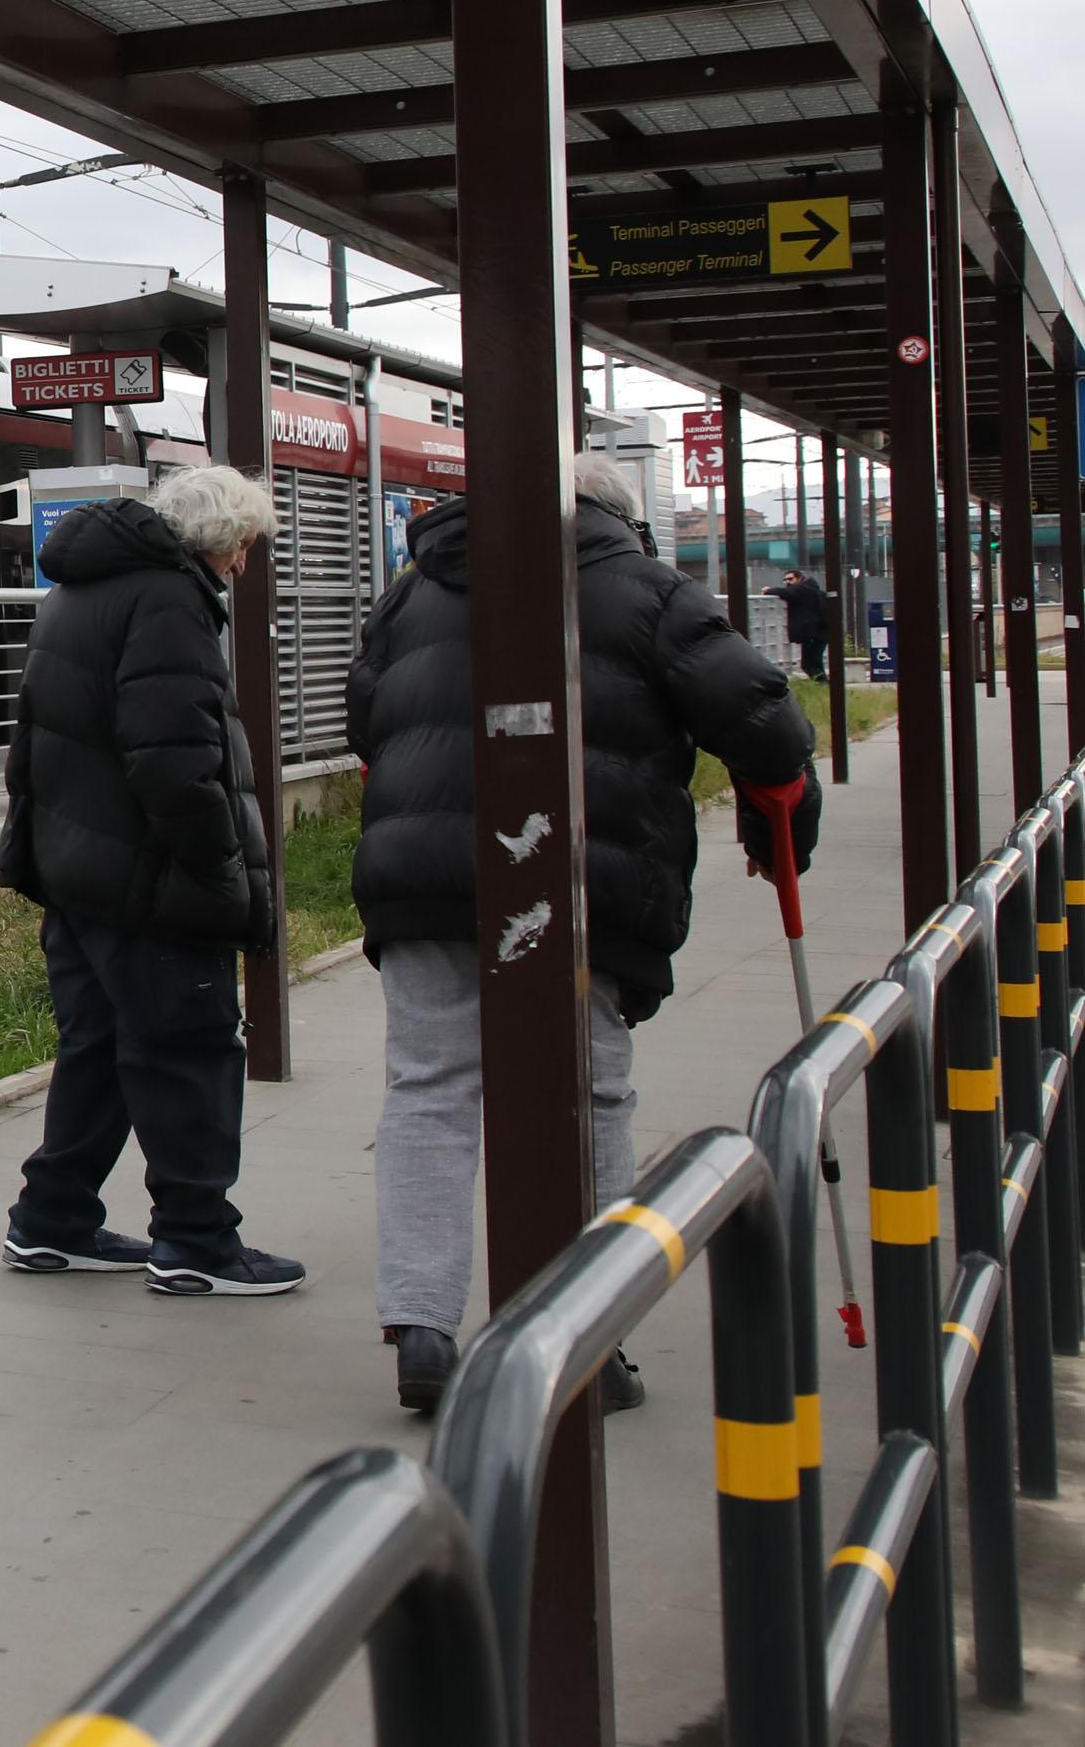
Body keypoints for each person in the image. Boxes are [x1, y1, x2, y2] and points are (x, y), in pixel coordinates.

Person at [348, 453, 819, 1414]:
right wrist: (783, 823)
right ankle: (589, 1331)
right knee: (589, 1091)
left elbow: (366, 719)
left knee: (427, 1085)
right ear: (619, 518)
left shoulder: (410, 591)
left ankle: (423, 1330)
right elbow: (764, 722)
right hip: (578, 879)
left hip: (423, 876)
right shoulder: (649, 590)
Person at [0, 465, 304, 1297]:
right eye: (245, 545)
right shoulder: (166, 603)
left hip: (77, 873)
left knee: (95, 1052)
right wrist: (216, 871)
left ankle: (51, 1221)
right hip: (149, 883)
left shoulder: (78, 594)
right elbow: (175, 765)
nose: (245, 563)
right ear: (221, 542)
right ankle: (197, 1241)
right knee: (188, 1053)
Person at [770, 566, 831, 681]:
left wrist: (768, 590)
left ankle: (822, 685)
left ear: (799, 579)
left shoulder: (804, 590)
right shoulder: (809, 589)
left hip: (814, 633)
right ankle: (823, 686)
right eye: (786, 580)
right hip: (817, 633)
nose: (787, 582)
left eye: (790, 579)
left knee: (809, 663)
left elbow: (787, 593)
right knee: (814, 662)